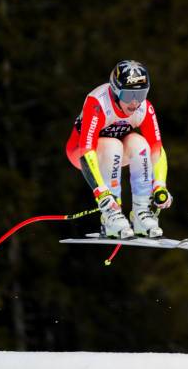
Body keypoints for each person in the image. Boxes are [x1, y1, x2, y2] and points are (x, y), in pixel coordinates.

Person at [65, 60, 173, 238]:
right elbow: (87, 151)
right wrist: (101, 192)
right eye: (129, 94)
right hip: (82, 154)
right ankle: (111, 216)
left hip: (114, 155)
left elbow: (156, 149)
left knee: (140, 144)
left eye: (140, 94)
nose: (134, 102)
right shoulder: (98, 102)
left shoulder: (144, 108)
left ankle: (141, 213)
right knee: (112, 145)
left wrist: (160, 185)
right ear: (116, 91)